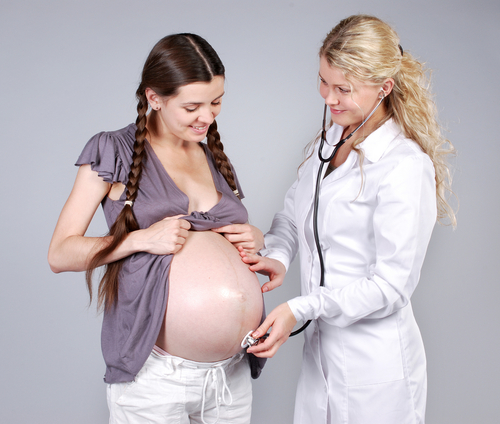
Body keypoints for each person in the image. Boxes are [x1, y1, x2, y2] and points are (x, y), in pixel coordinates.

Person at [240, 15, 456, 424]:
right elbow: (294, 214)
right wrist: (279, 255)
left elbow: (391, 286)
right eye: (324, 82)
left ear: (384, 87)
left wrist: (301, 308)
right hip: (319, 362)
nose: (329, 98)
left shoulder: (404, 166)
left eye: (344, 89)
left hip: (376, 370)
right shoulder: (331, 140)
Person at [48, 33, 265, 424]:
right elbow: (60, 253)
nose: (207, 117)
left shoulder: (210, 154)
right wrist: (139, 239)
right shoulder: (113, 149)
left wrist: (256, 238)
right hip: (156, 377)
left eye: (216, 102)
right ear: (155, 98)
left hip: (229, 377)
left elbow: (222, 242)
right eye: (192, 106)